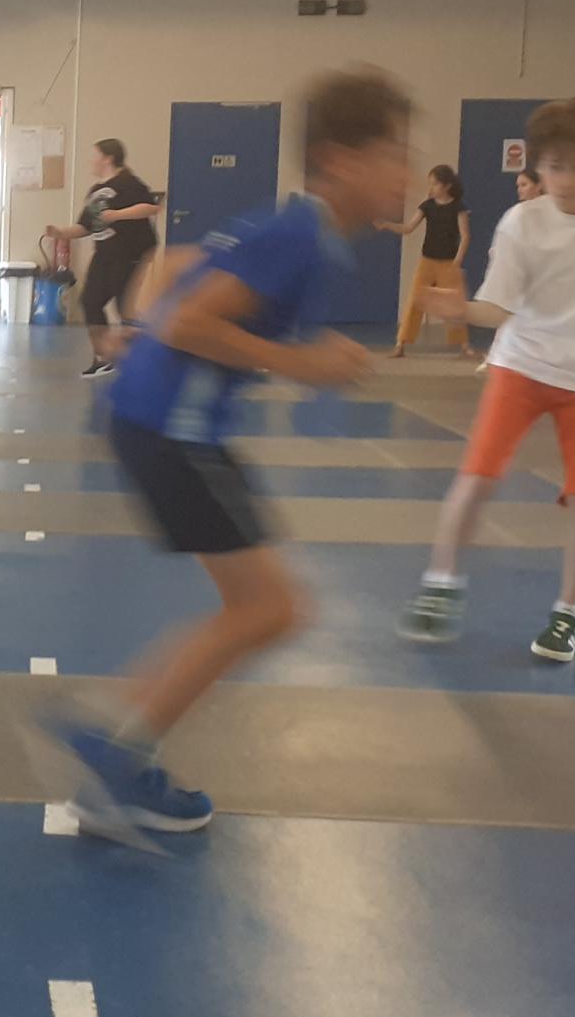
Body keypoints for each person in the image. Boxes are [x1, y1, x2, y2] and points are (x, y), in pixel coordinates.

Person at [25, 67, 404, 847]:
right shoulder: (300, 238)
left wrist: (142, 330)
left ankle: (117, 739)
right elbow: (192, 321)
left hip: (161, 421)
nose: (405, 174)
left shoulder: (287, 227)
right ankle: (118, 751)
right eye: (393, 155)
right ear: (340, 160)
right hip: (173, 430)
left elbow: (174, 269)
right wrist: (304, 363)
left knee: (260, 606)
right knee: (270, 608)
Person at [400, 98, 575, 663]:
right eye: (554, 167)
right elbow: (499, 308)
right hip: (521, 367)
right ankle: (440, 584)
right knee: (477, 476)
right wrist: (460, 310)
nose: (565, 180)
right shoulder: (522, 222)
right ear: (537, 167)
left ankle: (569, 612)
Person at [47, 139, 161, 377]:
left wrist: (117, 214)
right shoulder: (95, 192)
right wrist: (61, 233)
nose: (91, 160)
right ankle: (103, 356)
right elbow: (85, 227)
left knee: (125, 308)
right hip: (104, 255)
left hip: (129, 255)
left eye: (95, 155)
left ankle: (140, 360)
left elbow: (150, 208)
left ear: (108, 158)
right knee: (90, 302)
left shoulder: (128, 183)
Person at [386, 163, 476, 359]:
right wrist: (388, 225)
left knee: (454, 304)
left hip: (448, 263)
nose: (431, 188)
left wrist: (458, 260)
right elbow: (408, 228)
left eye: (435, 184)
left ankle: (464, 346)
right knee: (415, 301)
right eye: (431, 184)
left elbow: (465, 236)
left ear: (447, 186)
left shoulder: (458, 207)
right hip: (427, 261)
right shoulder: (427, 206)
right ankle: (401, 344)